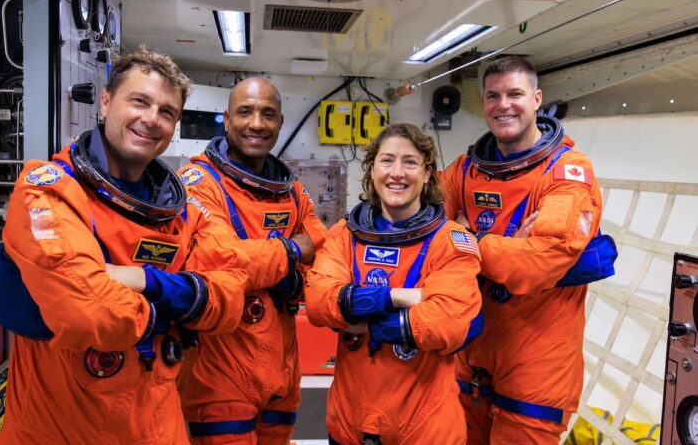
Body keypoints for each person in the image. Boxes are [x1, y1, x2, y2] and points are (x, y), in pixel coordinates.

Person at [0, 47, 248, 444]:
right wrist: (175, 310)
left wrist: (148, 282)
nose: (151, 120)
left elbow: (229, 298)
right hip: (59, 430)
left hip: (159, 428)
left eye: (166, 112)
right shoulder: (49, 189)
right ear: (106, 101)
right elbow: (87, 312)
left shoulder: (182, 211)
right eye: (139, 102)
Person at [438, 56, 603, 443]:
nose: (503, 104)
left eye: (515, 93)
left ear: (536, 99)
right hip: (470, 354)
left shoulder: (567, 172)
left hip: (537, 361)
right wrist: (512, 247)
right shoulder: (464, 170)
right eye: (493, 96)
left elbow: (539, 262)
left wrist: (469, 240)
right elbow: (425, 238)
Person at [305, 123, 482, 444]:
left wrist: (363, 321)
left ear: (428, 173)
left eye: (410, 162)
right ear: (372, 169)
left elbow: (448, 322)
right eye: (387, 161)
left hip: (426, 429)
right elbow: (319, 302)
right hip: (349, 425)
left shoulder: (452, 242)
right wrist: (402, 297)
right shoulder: (345, 236)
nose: (397, 173)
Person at [176, 77, 327, 444]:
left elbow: (324, 254)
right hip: (219, 370)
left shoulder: (292, 192)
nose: (256, 123)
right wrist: (291, 251)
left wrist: (284, 275)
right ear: (227, 120)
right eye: (245, 112)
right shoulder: (198, 183)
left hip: (283, 369)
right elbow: (219, 262)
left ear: (280, 122)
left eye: (268, 114)